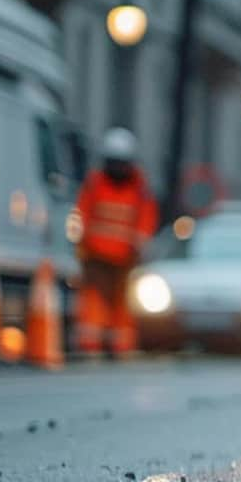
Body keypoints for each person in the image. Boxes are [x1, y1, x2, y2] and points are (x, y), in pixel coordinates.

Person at [73, 128, 160, 357]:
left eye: (121, 163)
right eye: (114, 163)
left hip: (125, 258)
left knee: (123, 304)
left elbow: (146, 218)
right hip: (96, 255)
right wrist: (81, 244)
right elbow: (82, 213)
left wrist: (140, 245)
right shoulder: (95, 184)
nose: (117, 168)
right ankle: (91, 343)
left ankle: (120, 345)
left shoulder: (139, 188)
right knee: (93, 300)